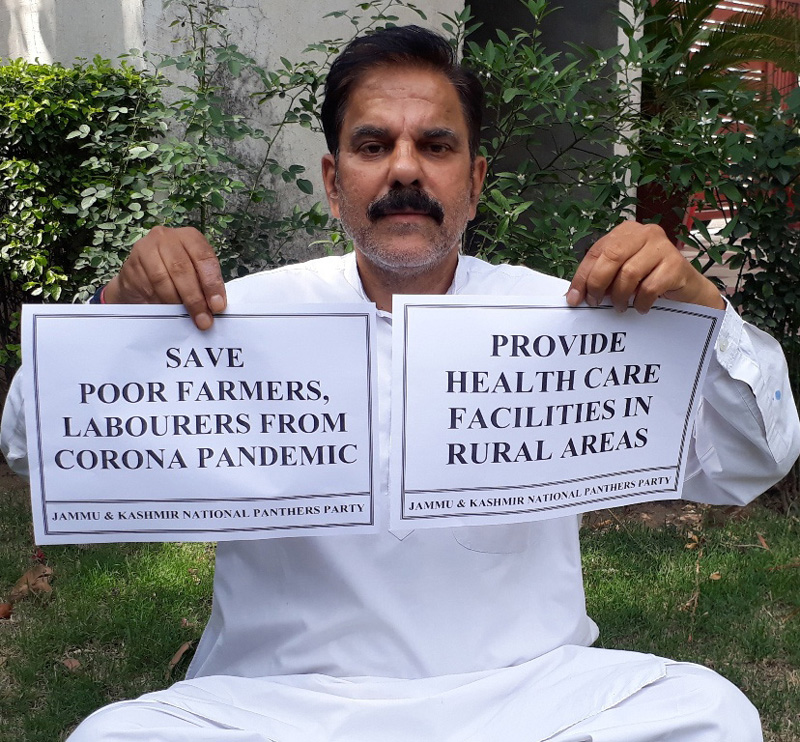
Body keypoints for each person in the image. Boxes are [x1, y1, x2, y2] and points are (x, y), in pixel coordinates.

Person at [2, 24, 799, 742]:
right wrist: (117, 316)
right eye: (374, 144)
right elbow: (28, 450)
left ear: (476, 177)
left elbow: (752, 459)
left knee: (711, 713)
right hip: (277, 700)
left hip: (525, 695)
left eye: (437, 146)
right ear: (332, 176)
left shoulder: (567, 318)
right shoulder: (229, 319)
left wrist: (703, 307)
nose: (406, 169)